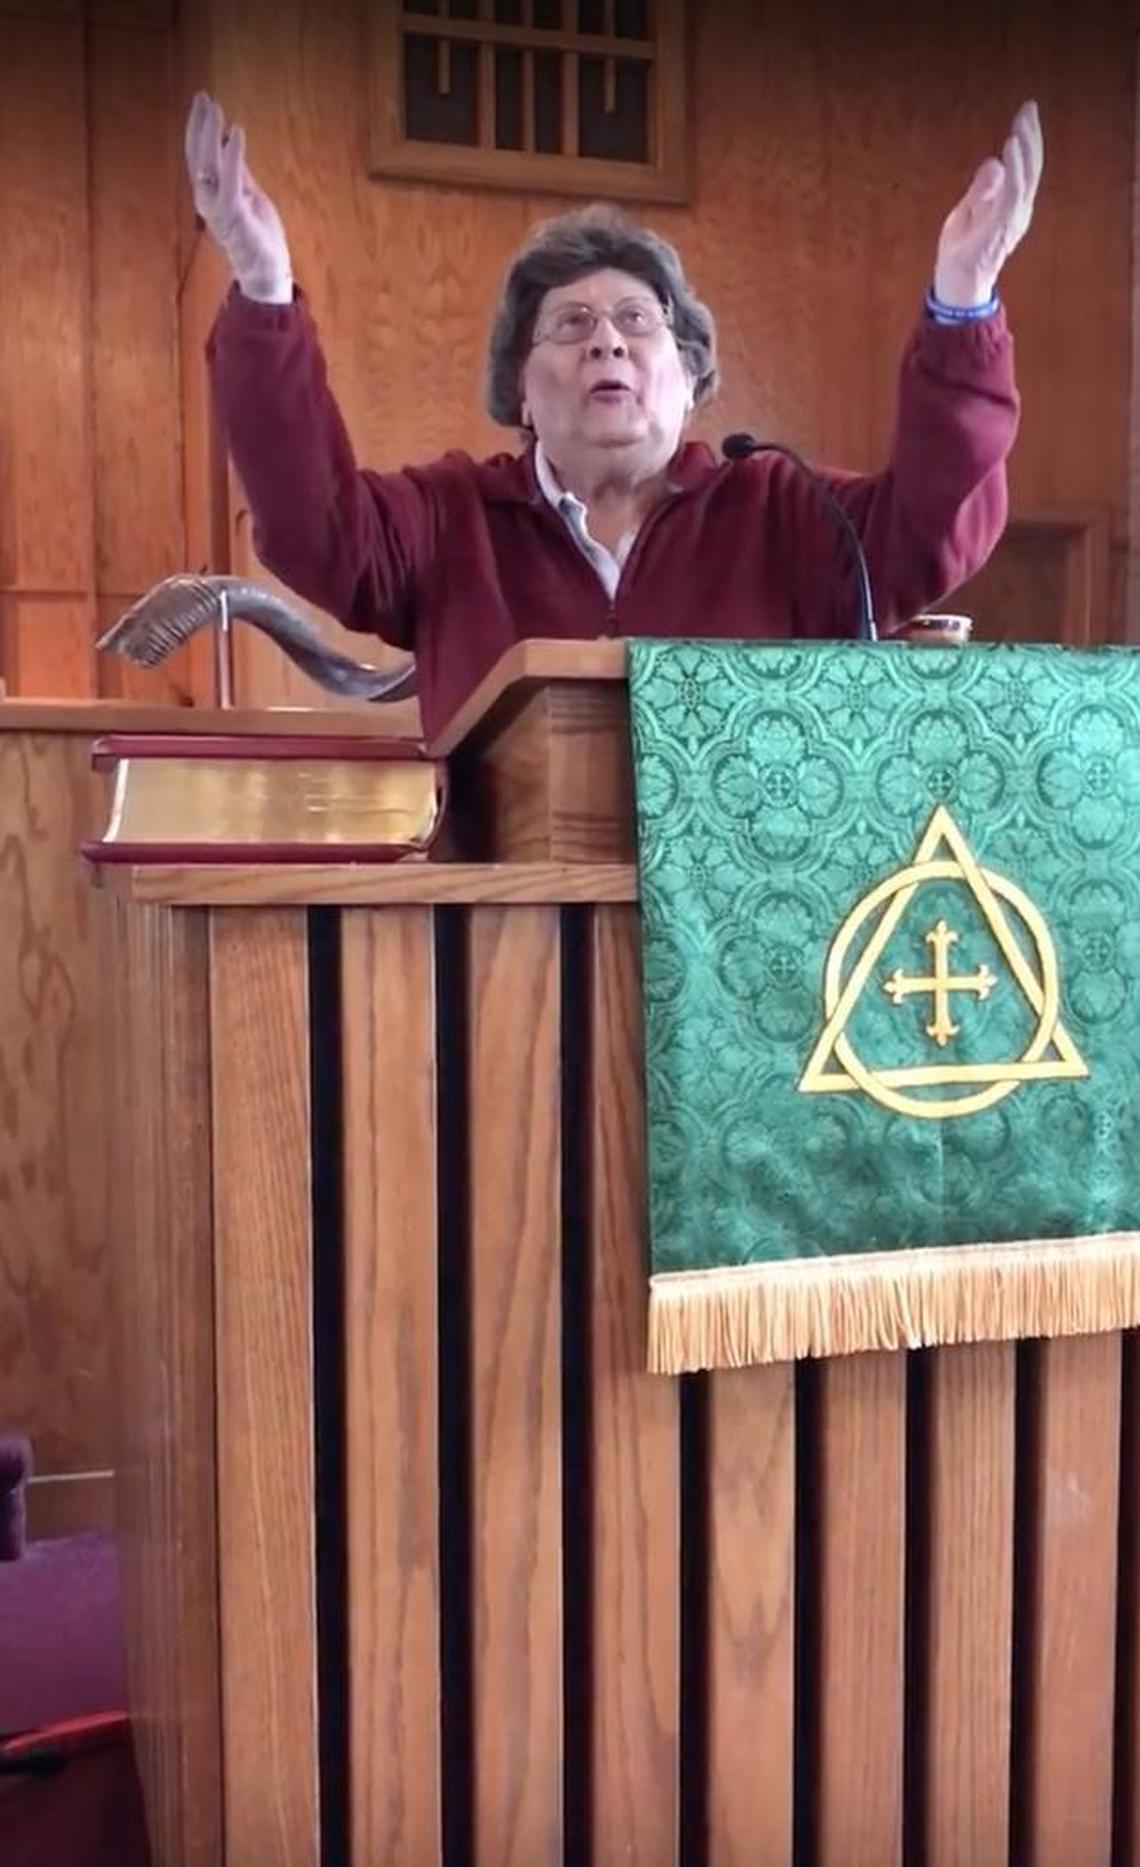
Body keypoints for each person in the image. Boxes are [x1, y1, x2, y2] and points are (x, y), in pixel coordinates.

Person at [187, 93, 1043, 743]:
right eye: (569, 326)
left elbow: (939, 525)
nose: (607, 345)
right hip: (505, 940)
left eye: (637, 321)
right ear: (520, 392)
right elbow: (312, 526)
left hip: (739, 930)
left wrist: (962, 307)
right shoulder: (450, 519)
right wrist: (265, 290)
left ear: (691, 375)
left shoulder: (786, 511)